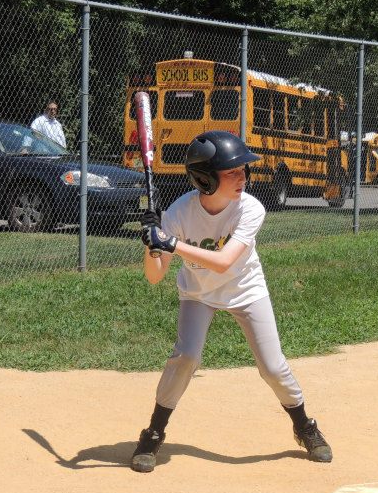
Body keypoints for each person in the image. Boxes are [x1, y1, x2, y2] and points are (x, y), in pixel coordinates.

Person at [130, 130, 333, 473]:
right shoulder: (179, 213)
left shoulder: (250, 209)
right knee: (186, 357)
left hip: (245, 289)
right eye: (232, 173)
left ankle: (304, 426)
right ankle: (153, 433)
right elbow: (154, 275)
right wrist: (153, 244)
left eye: (243, 171)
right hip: (198, 293)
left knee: (272, 366)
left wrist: (171, 243)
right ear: (205, 179)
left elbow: (224, 261)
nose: (242, 178)